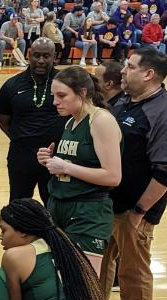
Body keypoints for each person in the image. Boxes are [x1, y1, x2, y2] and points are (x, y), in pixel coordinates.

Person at [100, 48, 167, 300]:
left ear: (149, 74)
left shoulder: (166, 114)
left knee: (132, 274)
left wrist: (139, 211)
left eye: (130, 66)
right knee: (101, 266)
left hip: (135, 212)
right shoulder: (125, 100)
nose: (123, 71)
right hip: (108, 204)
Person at [36, 65, 122, 274]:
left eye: (61, 95)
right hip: (61, 205)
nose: (55, 101)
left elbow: (113, 176)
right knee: (61, 281)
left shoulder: (101, 120)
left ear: (82, 92)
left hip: (87, 212)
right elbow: (76, 166)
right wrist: (50, 161)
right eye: (54, 95)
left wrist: (65, 165)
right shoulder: (71, 122)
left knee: (84, 285)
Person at [0, 38, 66, 203]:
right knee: (19, 204)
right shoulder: (11, 85)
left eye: (46, 56)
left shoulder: (65, 83)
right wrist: (23, 138)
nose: (41, 61)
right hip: (21, 156)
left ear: (54, 57)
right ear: (28, 55)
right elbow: (3, 120)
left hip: (56, 157)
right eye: (36, 55)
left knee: (55, 205)